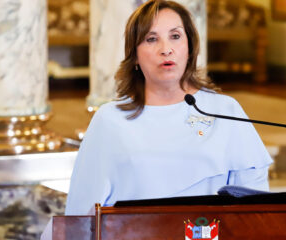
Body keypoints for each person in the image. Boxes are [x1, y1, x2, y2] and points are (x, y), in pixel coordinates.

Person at [65, 0, 272, 216]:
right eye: (151, 39)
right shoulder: (110, 120)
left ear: (190, 47)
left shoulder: (226, 110)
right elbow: (81, 213)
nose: (166, 50)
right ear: (134, 55)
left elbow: (255, 208)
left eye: (175, 36)